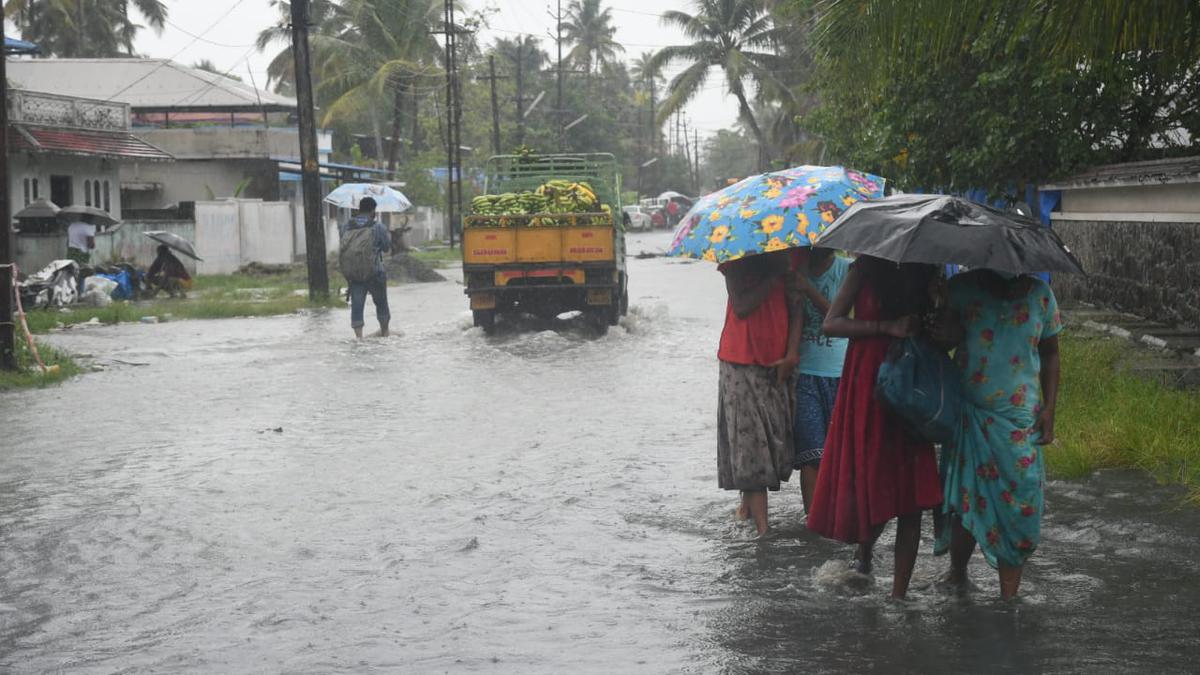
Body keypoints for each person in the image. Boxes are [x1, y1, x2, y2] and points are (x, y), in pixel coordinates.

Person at [806, 255, 944, 599]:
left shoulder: (927, 271)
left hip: (912, 386)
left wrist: (936, 310)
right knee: (871, 477)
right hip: (868, 385)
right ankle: (864, 559)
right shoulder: (863, 269)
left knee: (912, 495)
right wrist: (886, 327)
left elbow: (945, 334)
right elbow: (831, 323)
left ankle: (899, 594)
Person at [932, 269, 1062, 600]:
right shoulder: (961, 289)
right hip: (969, 413)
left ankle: (1009, 599)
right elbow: (939, 342)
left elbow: (1050, 352)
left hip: (1020, 422)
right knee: (965, 499)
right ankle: (957, 575)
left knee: (1022, 502)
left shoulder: (1041, 295)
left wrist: (1050, 409)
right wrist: (944, 325)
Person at [717, 249, 804, 537]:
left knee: (770, 443)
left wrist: (791, 355)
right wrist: (774, 275)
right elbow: (741, 306)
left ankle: (747, 507)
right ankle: (763, 531)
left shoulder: (787, 258)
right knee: (750, 445)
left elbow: (797, 308)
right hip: (740, 363)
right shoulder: (735, 260)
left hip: (776, 364)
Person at [791, 247, 851, 514]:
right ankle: (814, 523)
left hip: (840, 373)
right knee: (811, 456)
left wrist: (809, 290)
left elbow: (840, 318)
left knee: (840, 457)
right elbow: (792, 318)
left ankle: (838, 518)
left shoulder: (847, 270)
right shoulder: (796, 270)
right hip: (805, 373)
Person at [339, 197, 391, 339]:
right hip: (375, 272)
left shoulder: (345, 226)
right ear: (373, 210)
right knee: (381, 303)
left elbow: (343, 246)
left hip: (355, 273)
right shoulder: (378, 227)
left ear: (359, 209)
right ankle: (385, 333)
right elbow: (386, 248)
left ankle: (359, 339)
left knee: (357, 305)